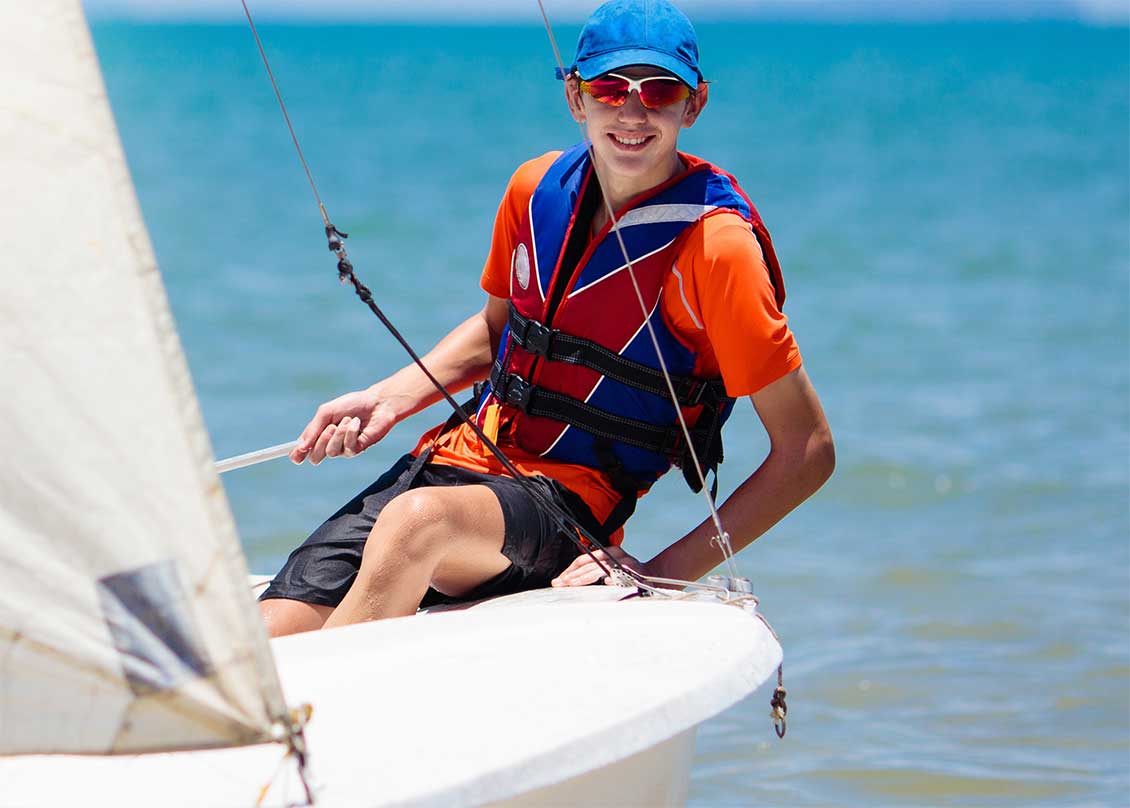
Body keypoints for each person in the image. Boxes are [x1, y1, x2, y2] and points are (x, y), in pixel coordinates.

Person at [259, 0, 835, 637]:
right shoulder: (535, 190)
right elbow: (496, 333)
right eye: (611, 88)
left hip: (571, 508)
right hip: (459, 462)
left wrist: (660, 573)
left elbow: (807, 451)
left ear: (693, 104)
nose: (633, 111)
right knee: (263, 634)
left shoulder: (717, 248)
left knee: (416, 525)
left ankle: (324, 731)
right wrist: (388, 399)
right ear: (576, 97)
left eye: (660, 90)